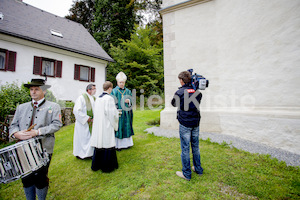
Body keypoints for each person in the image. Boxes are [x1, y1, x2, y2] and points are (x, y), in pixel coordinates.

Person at [9, 79, 62, 199]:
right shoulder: (21, 107)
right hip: (23, 149)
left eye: (36, 89)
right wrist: (16, 134)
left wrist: (38, 132)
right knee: (26, 178)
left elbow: (57, 124)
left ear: (44, 90)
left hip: (43, 148)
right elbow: (13, 126)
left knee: (40, 178)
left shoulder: (53, 107)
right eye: (31, 89)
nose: (33, 92)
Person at [171, 71, 204, 181]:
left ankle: (186, 173)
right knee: (195, 146)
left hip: (185, 123)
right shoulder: (197, 92)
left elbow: (173, 103)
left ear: (181, 80)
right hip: (195, 122)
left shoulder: (179, 92)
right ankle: (198, 169)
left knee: (185, 148)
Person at [90, 81, 119, 172]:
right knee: (107, 143)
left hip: (99, 124)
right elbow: (111, 113)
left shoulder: (98, 98)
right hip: (106, 124)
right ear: (110, 88)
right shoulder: (109, 99)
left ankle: (97, 165)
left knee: (100, 143)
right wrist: (117, 115)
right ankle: (107, 166)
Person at [111, 72, 134, 150]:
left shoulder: (128, 91)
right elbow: (111, 101)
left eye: (123, 82)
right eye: (120, 82)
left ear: (125, 82)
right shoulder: (114, 91)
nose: (121, 84)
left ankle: (127, 144)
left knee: (126, 126)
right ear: (117, 82)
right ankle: (118, 145)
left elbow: (132, 100)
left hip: (127, 113)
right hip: (118, 112)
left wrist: (129, 101)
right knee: (119, 126)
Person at [73, 84, 96, 159]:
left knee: (90, 138)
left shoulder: (93, 98)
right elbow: (76, 111)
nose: (95, 90)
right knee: (83, 139)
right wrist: (86, 118)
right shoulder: (81, 98)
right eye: (93, 89)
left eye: (95, 89)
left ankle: (90, 153)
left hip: (91, 122)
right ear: (88, 90)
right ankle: (81, 154)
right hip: (82, 123)